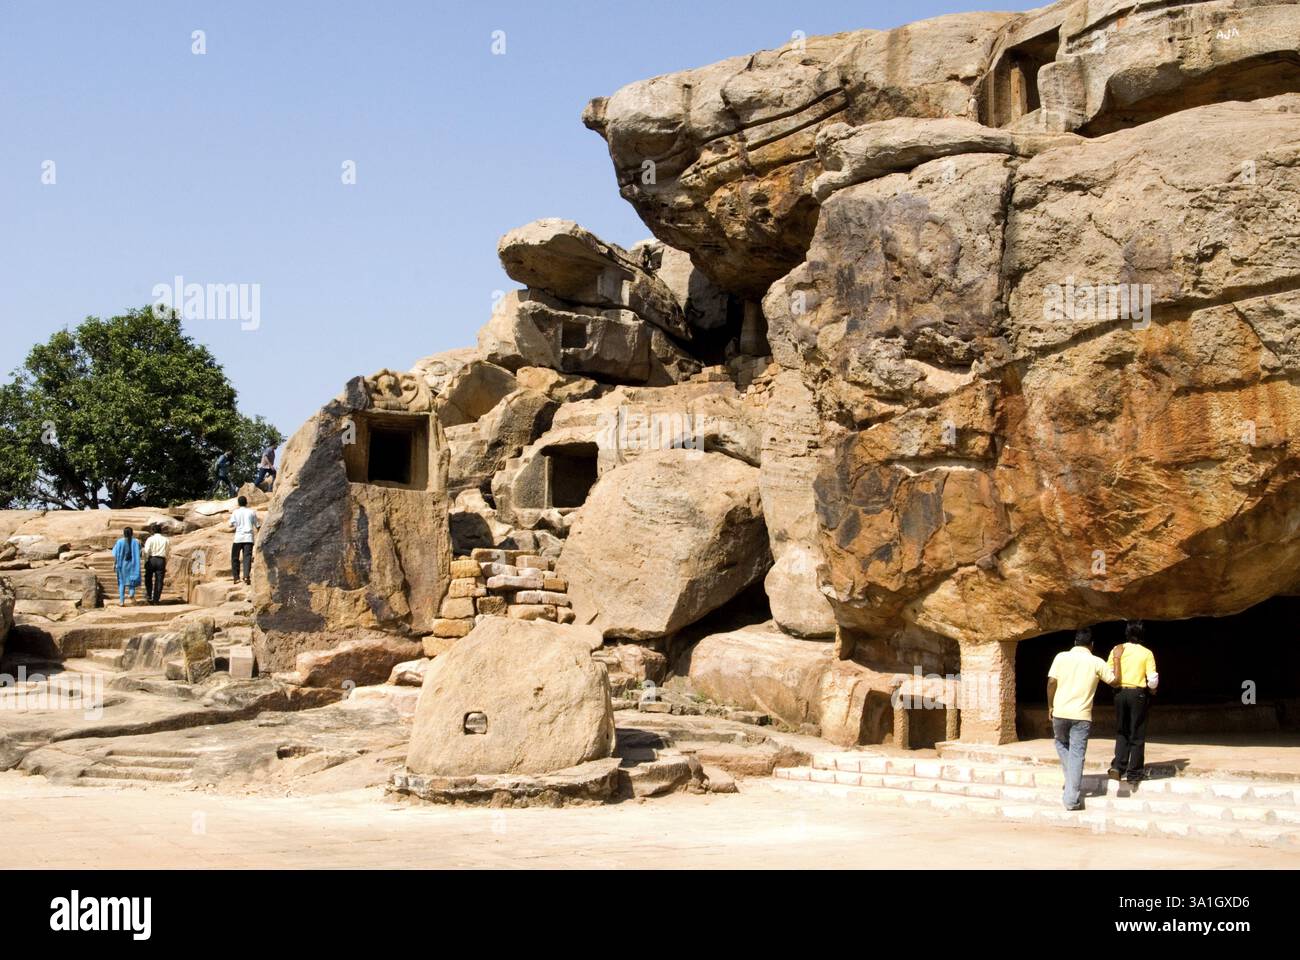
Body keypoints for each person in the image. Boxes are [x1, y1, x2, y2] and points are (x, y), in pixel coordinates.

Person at [1047, 627, 1116, 811]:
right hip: (1081, 715)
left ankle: (1071, 786)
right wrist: (1116, 659)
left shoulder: (1061, 657)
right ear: (1091, 645)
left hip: (1060, 712)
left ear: (1075, 642)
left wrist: (1050, 706)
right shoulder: (1096, 662)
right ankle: (1071, 798)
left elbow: (1051, 682)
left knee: (1061, 744)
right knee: (1077, 755)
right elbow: (1114, 680)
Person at [1107, 621, 1159, 783]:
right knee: (1137, 733)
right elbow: (1152, 679)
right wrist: (1152, 689)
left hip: (1119, 693)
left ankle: (1118, 766)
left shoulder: (1117, 649)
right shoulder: (1146, 653)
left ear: (1127, 634)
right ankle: (1134, 773)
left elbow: (1109, 673)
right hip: (1138, 694)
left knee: (1122, 730)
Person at [228, 494, 260, 585]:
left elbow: (230, 524)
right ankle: (246, 576)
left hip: (238, 538)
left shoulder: (235, 512)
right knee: (247, 558)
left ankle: (236, 578)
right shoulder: (251, 512)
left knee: (235, 558)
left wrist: (236, 525)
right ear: (246, 503)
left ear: (238, 503)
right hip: (248, 538)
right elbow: (257, 525)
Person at [111, 527, 142, 606]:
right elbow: (140, 553)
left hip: (122, 565)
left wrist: (114, 564)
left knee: (121, 583)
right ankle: (131, 593)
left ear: (123, 533)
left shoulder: (119, 542)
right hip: (133, 564)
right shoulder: (136, 542)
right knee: (132, 581)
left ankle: (121, 601)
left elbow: (116, 554)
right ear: (132, 533)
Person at [141, 523, 170, 605]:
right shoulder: (166, 539)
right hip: (161, 560)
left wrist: (146, 560)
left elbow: (146, 551)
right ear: (161, 531)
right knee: (159, 580)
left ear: (153, 531)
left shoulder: (150, 539)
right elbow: (168, 551)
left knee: (148, 578)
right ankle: (156, 599)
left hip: (151, 559)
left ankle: (149, 595)